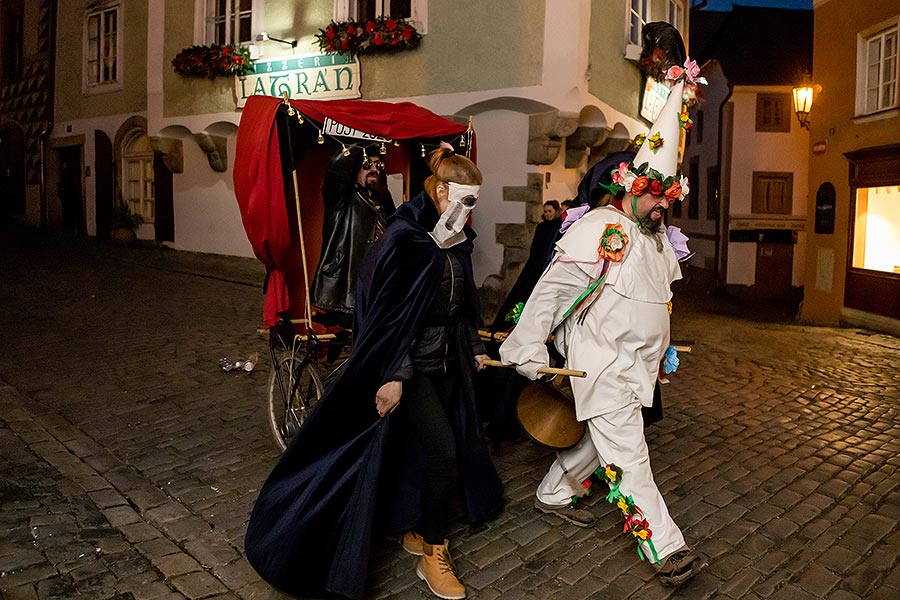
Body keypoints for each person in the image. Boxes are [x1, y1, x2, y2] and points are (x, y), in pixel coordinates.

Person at [244, 146, 503, 600]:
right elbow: (385, 317)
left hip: (447, 365)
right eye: (464, 200)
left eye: (474, 202)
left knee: (420, 451)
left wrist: (477, 348)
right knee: (443, 452)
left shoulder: (459, 241)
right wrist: (395, 375)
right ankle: (433, 553)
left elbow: (463, 308)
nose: (469, 211)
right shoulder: (405, 237)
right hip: (410, 368)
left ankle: (416, 528)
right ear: (441, 191)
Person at [499, 32, 705, 586]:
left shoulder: (659, 239)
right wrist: (525, 343)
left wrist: (660, 351)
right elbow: (553, 290)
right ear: (632, 187)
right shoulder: (599, 229)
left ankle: (555, 489)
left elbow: (658, 299)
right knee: (630, 456)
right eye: (655, 194)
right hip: (600, 359)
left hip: (633, 364)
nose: (663, 204)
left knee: (601, 437)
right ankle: (667, 549)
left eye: (670, 196)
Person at [310, 146, 395, 329]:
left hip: (379, 285)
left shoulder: (383, 203)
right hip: (349, 287)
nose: (374, 169)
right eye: (366, 164)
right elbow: (335, 170)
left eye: (378, 165)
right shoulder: (343, 200)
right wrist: (359, 146)